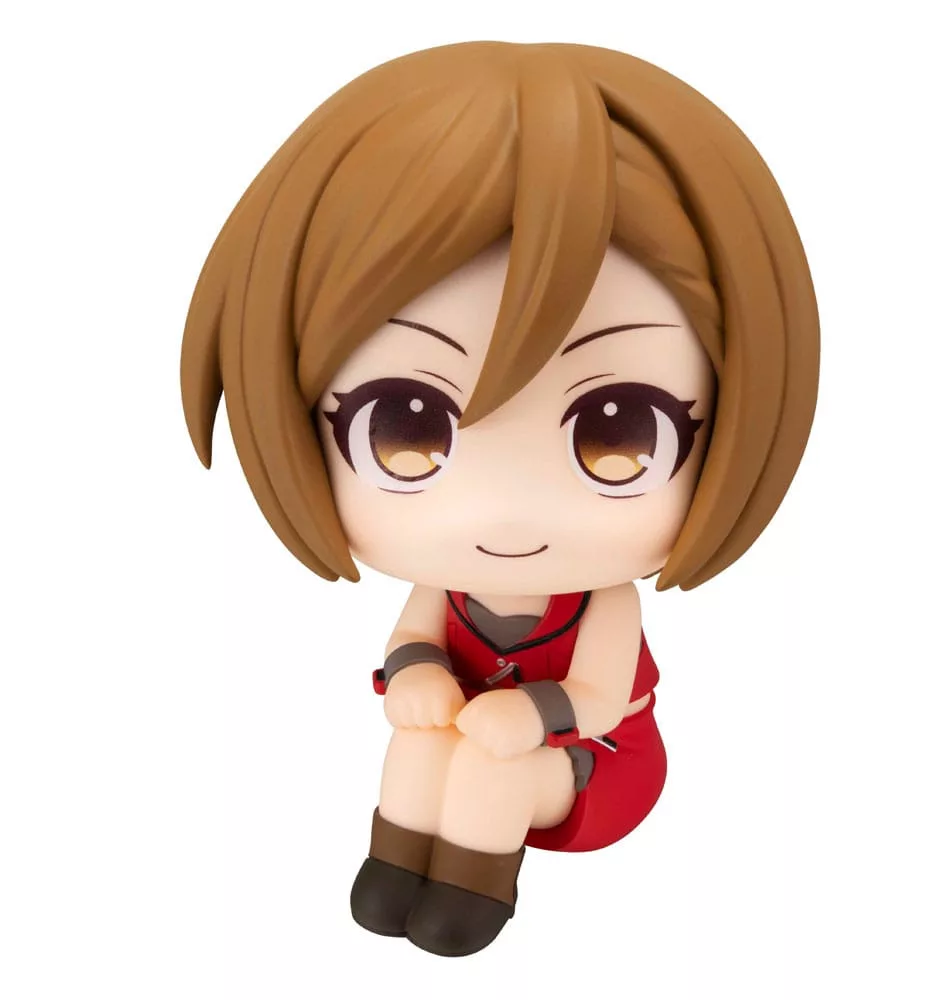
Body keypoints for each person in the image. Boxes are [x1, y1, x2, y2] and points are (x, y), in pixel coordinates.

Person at [180, 41, 819, 957]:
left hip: (590, 768)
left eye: (619, 431)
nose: (505, 507)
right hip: (471, 738)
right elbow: (409, 643)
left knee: (490, 771)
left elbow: (597, 696)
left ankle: (471, 895)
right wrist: (418, 677)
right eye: (403, 424)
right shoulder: (444, 587)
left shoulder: (603, 601)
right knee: (420, 746)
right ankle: (396, 868)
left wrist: (527, 717)